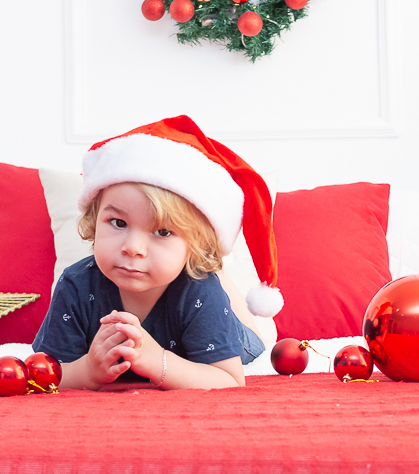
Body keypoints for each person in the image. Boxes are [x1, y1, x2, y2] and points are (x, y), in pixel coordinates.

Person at [31, 115, 284, 390]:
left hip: (231, 331)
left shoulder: (199, 291)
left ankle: (215, 269)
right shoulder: (76, 284)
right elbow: (47, 373)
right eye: (118, 223)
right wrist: (88, 371)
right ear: (95, 220)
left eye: (163, 232)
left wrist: (157, 361)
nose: (133, 248)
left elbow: (230, 380)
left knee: (228, 308)